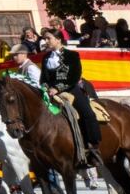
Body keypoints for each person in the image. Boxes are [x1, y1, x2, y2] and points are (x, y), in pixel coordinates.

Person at [40, 28, 101, 160]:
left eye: (48, 38)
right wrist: (45, 88)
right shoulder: (45, 58)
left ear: (58, 39)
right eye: (45, 39)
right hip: (50, 92)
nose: (45, 41)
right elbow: (43, 78)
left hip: (71, 89)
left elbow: (74, 76)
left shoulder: (72, 55)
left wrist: (57, 88)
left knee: (88, 113)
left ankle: (93, 146)